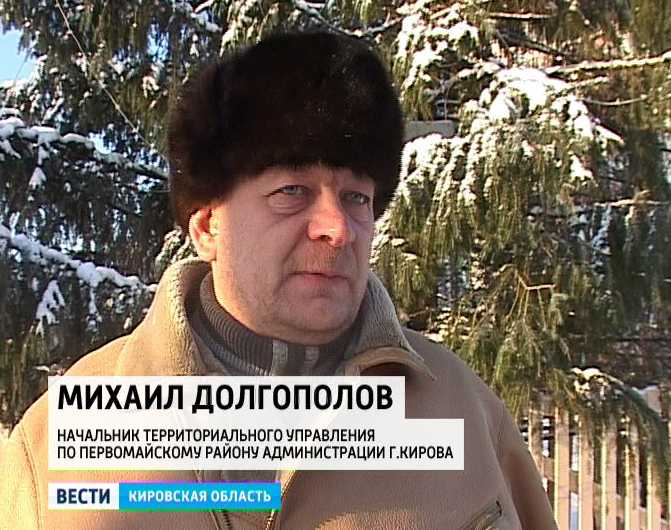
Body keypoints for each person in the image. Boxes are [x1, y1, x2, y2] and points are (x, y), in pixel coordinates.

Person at [0, 31, 557, 529]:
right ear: (208, 226)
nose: (337, 228)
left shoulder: (466, 414)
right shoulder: (57, 443)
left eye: (356, 197)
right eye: (292, 191)